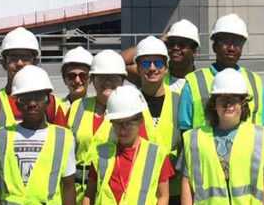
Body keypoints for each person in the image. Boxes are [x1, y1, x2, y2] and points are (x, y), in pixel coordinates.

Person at [179, 69, 264, 204]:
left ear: (243, 102)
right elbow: (186, 185)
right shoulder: (195, 139)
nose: (228, 105)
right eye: (222, 99)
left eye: (234, 99)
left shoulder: (259, 137)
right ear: (214, 104)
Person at [0, 66, 78, 205]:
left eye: (39, 97)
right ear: (16, 104)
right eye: (25, 99)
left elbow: (69, 186)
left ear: (48, 101)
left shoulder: (64, 138)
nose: (32, 104)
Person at [84, 86, 176, 205]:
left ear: (140, 121)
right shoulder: (101, 153)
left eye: (129, 123)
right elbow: (89, 194)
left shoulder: (156, 154)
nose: (123, 130)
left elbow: (163, 196)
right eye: (117, 124)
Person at [0, 27, 67, 137]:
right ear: (3, 63)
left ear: (35, 62)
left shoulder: (52, 104)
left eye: (26, 57)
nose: (20, 63)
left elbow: (62, 144)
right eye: (13, 57)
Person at [177, 14, 264, 133]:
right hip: (205, 150)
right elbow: (185, 131)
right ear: (214, 46)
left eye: (237, 43)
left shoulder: (254, 81)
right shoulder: (195, 82)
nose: (231, 48)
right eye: (225, 41)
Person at [67, 49, 128, 202]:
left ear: (122, 80)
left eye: (113, 77)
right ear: (92, 79)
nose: (107, 82)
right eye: (101, 77)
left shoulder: (130, 110)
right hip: (76, 195)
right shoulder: (77, 107)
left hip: (110, 195)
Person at [132, 36, 185, 203]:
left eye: (158, 63)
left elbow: (187, 142)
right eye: (146, 64)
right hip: (141, 189)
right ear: (138, 68)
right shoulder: (130, 101)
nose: (152, 68)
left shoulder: (180, 100)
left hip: (174, 188)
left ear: (166, 68)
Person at [120, 19, 200, 91]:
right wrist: (158, 43)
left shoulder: (203, 81)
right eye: (171, 44)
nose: (175, 48)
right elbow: (117, 60)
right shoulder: (153, 75)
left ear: (194, 52)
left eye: (182, 44)